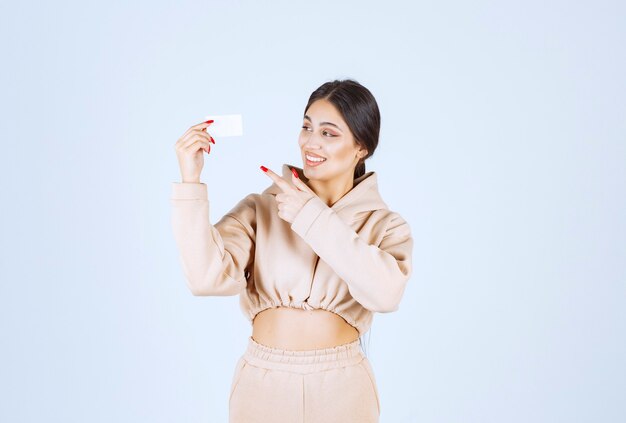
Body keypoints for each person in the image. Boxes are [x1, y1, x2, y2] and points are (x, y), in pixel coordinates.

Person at [171, 79, 414, 422]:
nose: (311, 142)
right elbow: (204, 279)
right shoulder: (261, 208)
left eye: (329, 133)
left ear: (362, 147)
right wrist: (190, 183)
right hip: (262, 383)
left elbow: (386, 295)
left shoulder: (385, 225)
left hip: (343, 387)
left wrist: (311, 217)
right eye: (306, 127)